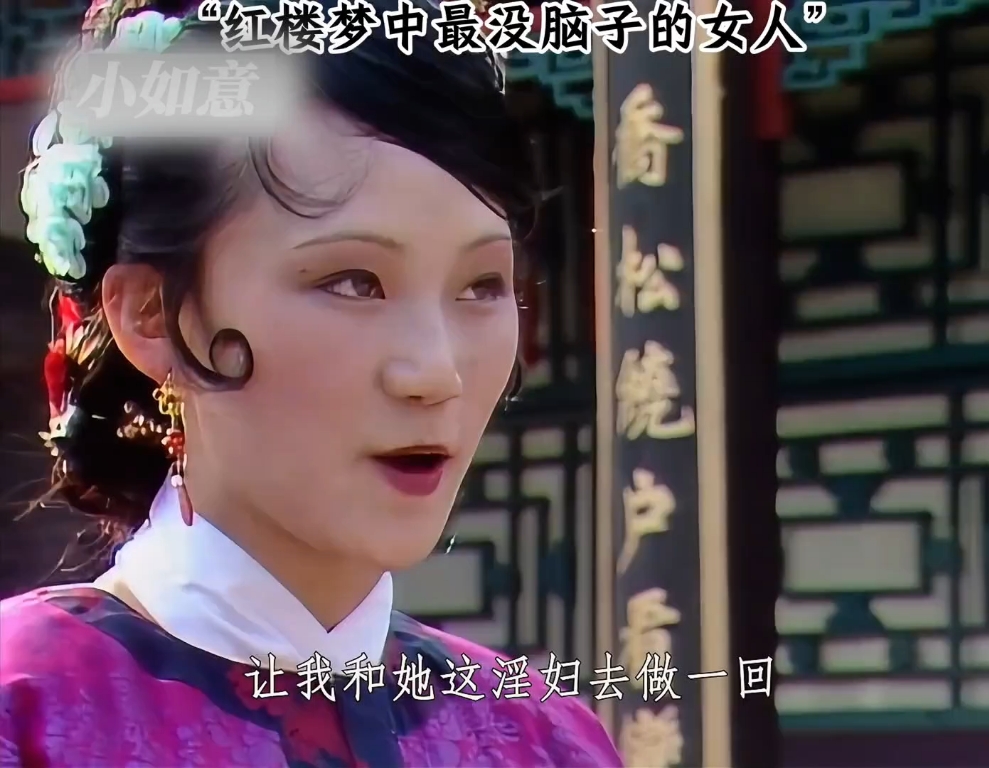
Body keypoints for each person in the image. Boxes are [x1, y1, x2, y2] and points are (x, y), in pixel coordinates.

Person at [0, 0, 623, 764]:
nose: (436, 373)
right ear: (153, 315)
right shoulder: (26, 712)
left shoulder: (543, 738)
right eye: (353, 281)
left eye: (482, 285)